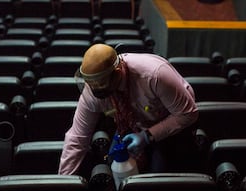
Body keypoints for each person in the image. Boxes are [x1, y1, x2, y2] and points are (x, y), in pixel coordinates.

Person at [58, 43, 199, 175]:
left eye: (100, 84)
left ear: (118, 73)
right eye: (90, 84)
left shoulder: (155, 75)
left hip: (171, 122)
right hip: (132, 123)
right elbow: (77, 137)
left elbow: (187, 114)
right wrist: (64, 182)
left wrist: (147, 136)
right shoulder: (93, 88)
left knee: (157, 176)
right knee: (114, 165)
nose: (94, 89)